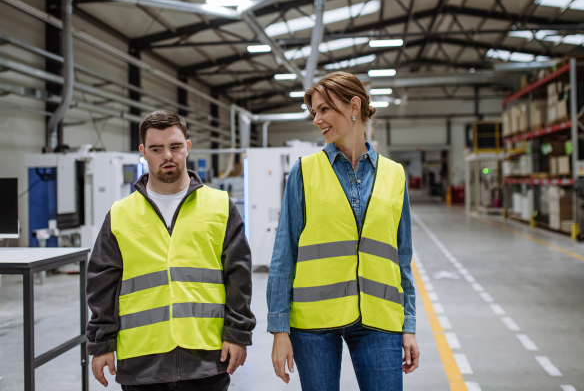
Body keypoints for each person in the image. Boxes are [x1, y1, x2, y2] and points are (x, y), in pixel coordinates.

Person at [267, 72, 419, 391]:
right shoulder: (304, 171)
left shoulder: (394, 175)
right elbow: (284, 254)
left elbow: (402, 256)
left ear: (354, 105)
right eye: (314, 112)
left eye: (323, 109)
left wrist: (409, 326)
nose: (316, 119)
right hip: (314, 325)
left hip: (380, 318)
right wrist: (280, 330)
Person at [86, 110, 255, 390]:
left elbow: (239, 276)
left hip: (207, 358)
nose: (167, 155)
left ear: (187, 147)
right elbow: (101, 283)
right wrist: (102, 342)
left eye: (175, 146)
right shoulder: (120, 214)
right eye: (156, 148)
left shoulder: (220, 206)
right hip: (141, 360)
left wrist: (237, 334)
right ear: (143, 152)